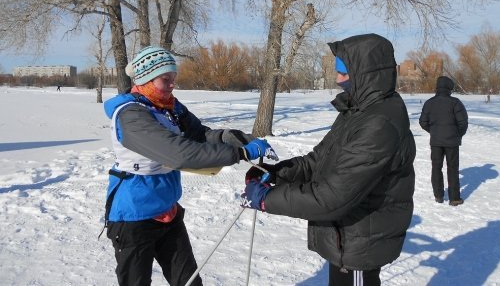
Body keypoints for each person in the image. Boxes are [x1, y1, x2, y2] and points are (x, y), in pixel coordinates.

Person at [241, 33, 416, 286]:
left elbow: (332, 198)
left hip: (359, 243)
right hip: (347, 236)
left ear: (366, 74)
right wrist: (275, 173)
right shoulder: (358, 111)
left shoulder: (378, 124)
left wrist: (267, 199)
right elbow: (318, 160)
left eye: (344, 73)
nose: (337, 79)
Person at [102, 46, 275, 286]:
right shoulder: (130, 115)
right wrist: (239, 153)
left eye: (173, 79)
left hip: (167, 211)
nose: (173, 85)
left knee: (189, 281)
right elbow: (179, 154)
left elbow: (200, 134)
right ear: (145, 79)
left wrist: (242, 139)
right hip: (133, 216)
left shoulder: (169, 106)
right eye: (166, 79)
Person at [419, 76, 468, 206]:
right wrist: (457, 135)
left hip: (436, 142)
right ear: (449, 88)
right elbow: (463, 123)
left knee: (436, 167)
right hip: (452, 142)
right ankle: (454, 198)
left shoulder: (429, 103)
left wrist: (434, 132)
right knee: (452, 169)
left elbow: (423, 122)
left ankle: (438, 196)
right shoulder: (455, 103)